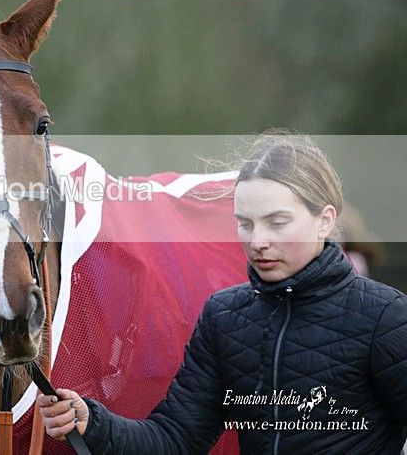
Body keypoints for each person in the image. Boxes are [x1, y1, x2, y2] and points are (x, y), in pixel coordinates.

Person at [37, 131, 407, 454]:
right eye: (244, 223)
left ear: (325, 219)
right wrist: (92, 421)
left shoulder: (386, 317)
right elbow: (175, 439)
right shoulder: (224, 317)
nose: (258, 241)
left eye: (277, 222)